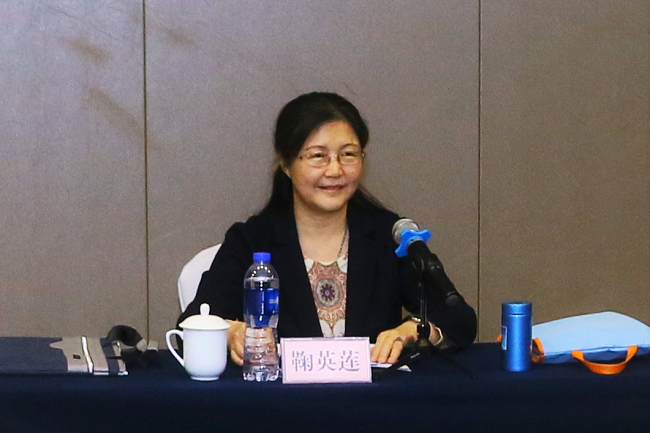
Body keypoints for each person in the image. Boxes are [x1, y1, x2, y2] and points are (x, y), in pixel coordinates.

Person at [178, 91, 477, 365]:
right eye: (318, 156)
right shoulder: (252, 240)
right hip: (281, 403)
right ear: (286, 164)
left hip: (372, 402)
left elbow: (459, 319)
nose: (335, 170)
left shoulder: (386, 235)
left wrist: (411, 330)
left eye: (348, 154)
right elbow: (188, 327)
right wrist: (230, 332)